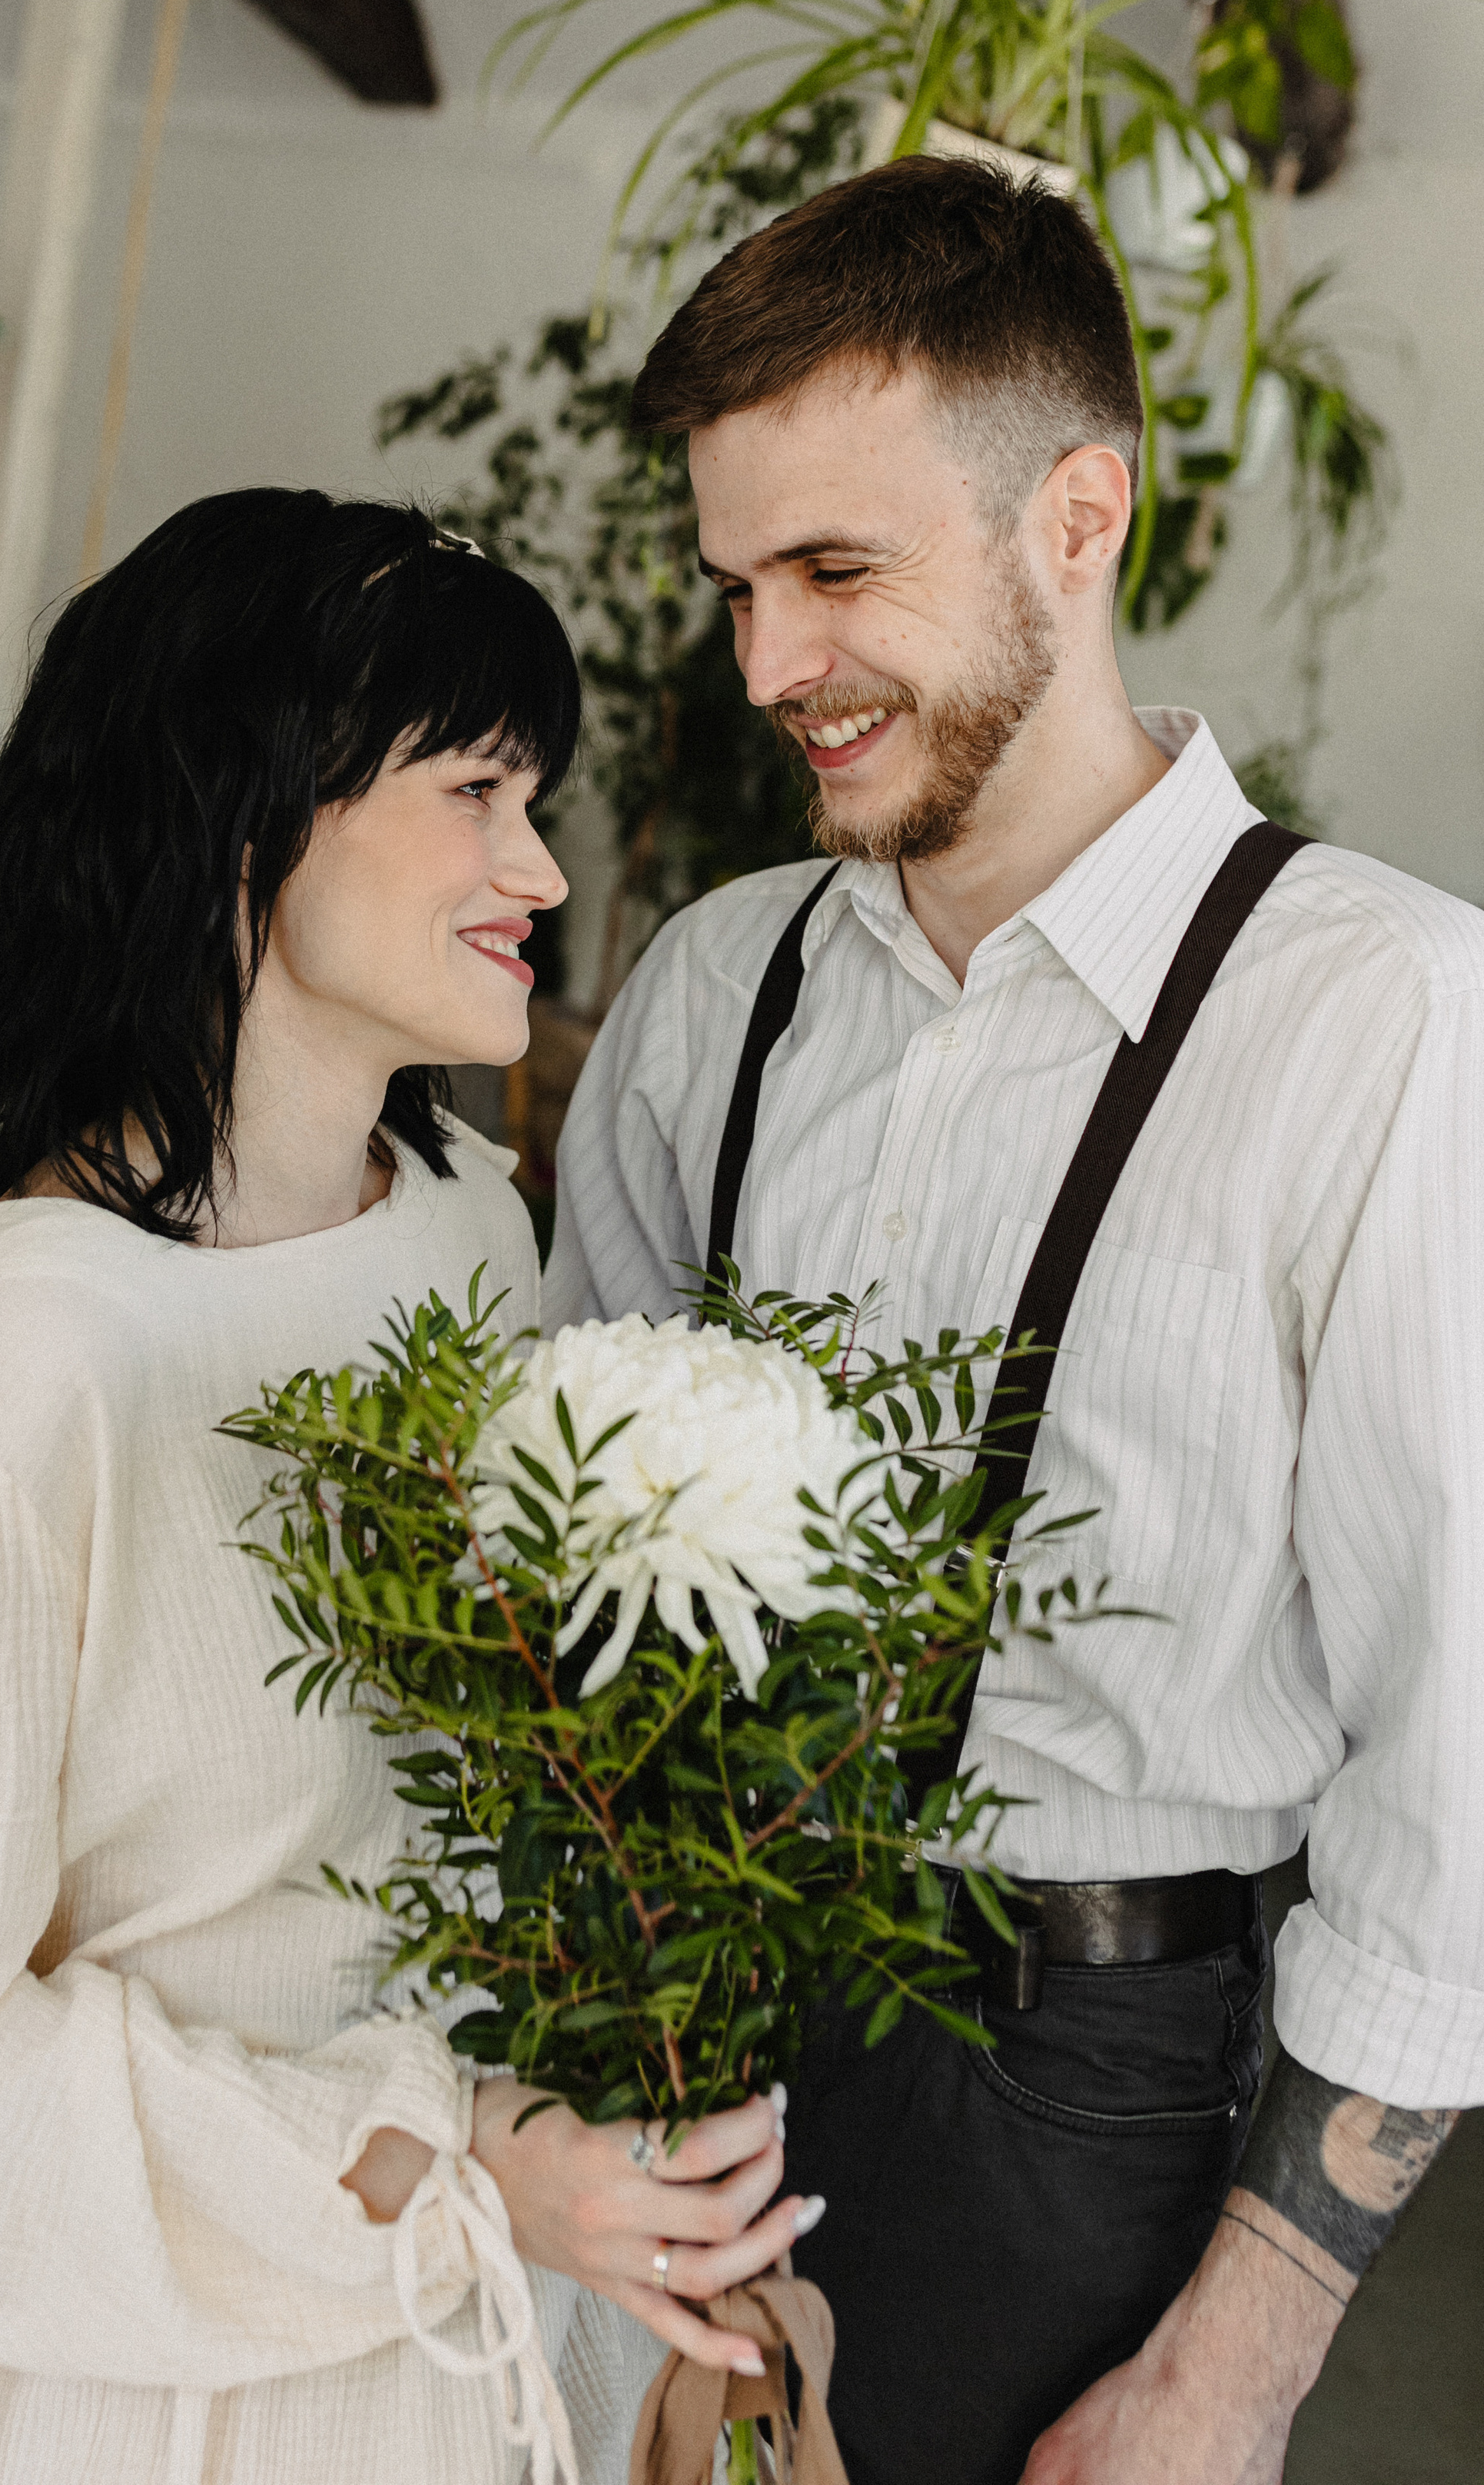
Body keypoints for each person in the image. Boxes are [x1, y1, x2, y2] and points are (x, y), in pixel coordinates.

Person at [0, 492, 822, 2485]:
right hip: (126, 2398)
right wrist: (448, 2160)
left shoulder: (476, 1233)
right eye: (480, 790)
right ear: (246, 819)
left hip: (485, 2344)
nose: (540, 867)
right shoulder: (10, 1374)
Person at [544, 161, 1483, 2485]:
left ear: (1081, 516)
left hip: (1091, 2110)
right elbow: (553, 1586)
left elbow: (1460, 1771)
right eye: (738, 586)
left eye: (838, 573)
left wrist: (1234, 2369)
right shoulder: (714, 990)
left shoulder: (1385, 1019)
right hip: (672, 2046)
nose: (766, 667)